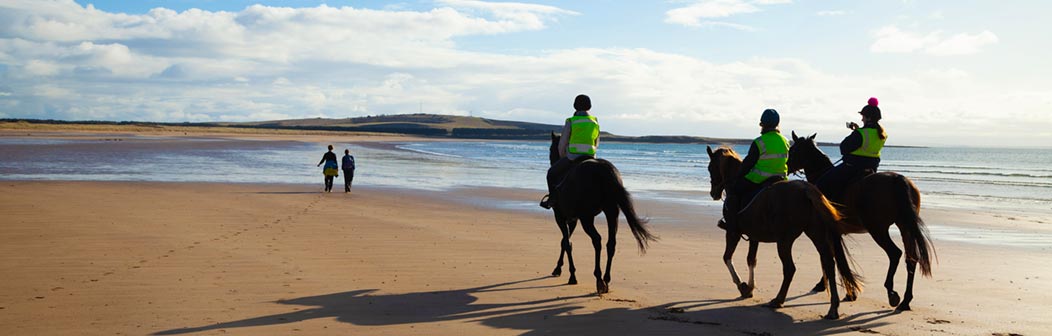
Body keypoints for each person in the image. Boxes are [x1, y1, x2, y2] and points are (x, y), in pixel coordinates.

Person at [719, 108, 789, 231]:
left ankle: (731, 224)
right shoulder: (785, 141)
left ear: (762, 124)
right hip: (782, 179)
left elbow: (748, 164)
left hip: (760, 179)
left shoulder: (759, 142)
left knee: (734, 191)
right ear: (777, 124)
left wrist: (738, 176)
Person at [815, 97, 887, 202]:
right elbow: (867, 145)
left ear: (869, 118)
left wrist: (856, 132)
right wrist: (858, 130)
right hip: (872, 168)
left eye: (863, 116)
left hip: (853, 167)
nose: (862, 119)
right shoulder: (882, 134)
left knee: (822, 182)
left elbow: (843, 148)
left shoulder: (861, 133)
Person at [540, 94, 599, 209]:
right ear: (589, 106)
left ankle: (552, 199)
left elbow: (562, 144)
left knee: (551, 174)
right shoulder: (594, 121)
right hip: (591, 157)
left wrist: (563, 156)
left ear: (575, 106)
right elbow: (596, 142)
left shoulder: (571, 121)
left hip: (573, 157)